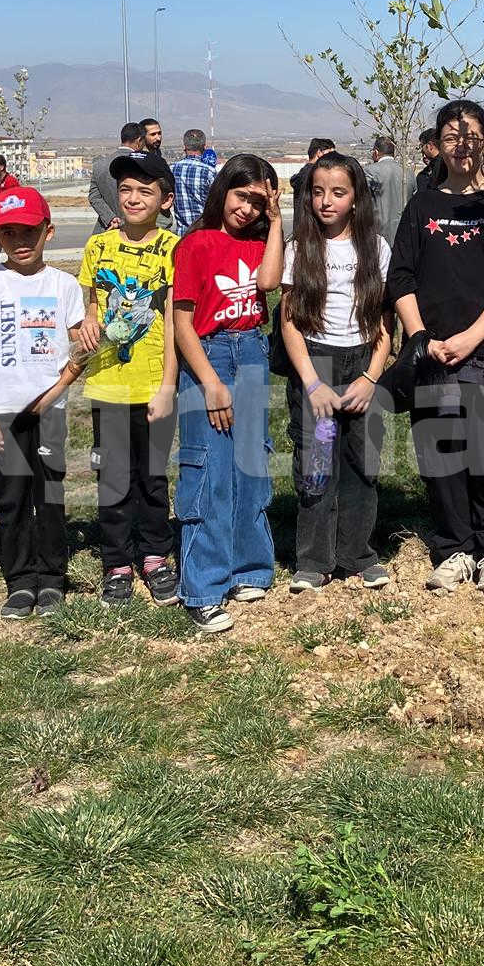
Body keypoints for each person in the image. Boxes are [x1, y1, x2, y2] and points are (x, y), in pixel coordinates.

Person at [387, 99, 484, 598]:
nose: (462, 145)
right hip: (432, 352)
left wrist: (471, 337)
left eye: (471, 135)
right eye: (452, 136)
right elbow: (400, 275)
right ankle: (454, 548)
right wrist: (420, 336)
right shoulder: (422, 205)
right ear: (438, 145)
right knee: (442, 450)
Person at [170, 152, 285, 632]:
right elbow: (181, 322)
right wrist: (211, 383)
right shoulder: (195, 244)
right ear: (223, 191)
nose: (248, 210)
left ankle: (250, 566)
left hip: (252, 350)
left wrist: (278, 221)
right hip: (210, 356)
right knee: (209, 469)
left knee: (250, 462)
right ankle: (204, 583)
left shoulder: (261, 242)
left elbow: (270, 283)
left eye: (259, 203)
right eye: (242, 196)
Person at [0, 185, 87, 620]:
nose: (20, 242)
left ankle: (52, 577)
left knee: (49, 494)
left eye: (29, 232)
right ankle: (19, 580)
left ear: (48, 232)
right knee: (11, 498)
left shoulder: (64, 285)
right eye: (9, 233)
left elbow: (82, 349)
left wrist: (55, 393)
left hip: (49, 410)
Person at [281, 150, 394, 592]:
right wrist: (312, 383)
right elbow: (288, 321)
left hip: (361, 361)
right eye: (318, 192)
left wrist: (370, 377)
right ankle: (313, 559)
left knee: (360, 462)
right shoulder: (299, 249)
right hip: (318, 362)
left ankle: (358, 555)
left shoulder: (376, 247)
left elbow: (387, 321)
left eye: (338, 192)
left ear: (356, 197)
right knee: (318, 462)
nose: (326, 201)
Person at [73, 149, 181, 607]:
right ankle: (116, 561)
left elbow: (176, 320)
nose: (133, 198)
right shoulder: (99, 246)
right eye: (125, 190)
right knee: (114, 477)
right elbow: (89, 301)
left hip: (153, 381)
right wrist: (88, 317)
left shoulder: (174, 249)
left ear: (166, 200)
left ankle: (155, 554)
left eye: (145, 191)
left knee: (153, 477)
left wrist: (169, 384)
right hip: (108, 383)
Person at [89, 121, 147, 230]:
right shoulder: (142, 165)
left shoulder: (100, 165)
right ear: (139, 141)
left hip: (106, 229)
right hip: (135, 231)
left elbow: (94, 197)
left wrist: (111, 218)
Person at [171, 128, 216, 233]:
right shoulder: (209, 172)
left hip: (182, 234)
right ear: (204, 147)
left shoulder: (172, 169)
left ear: (184, 147)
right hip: (204, 233)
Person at [367, 135, 410, 239]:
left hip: (379, 232)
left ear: (376, 152)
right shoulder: (409, 172)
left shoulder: (371, 171)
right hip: (405, 232)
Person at [288, 136, 337, 208]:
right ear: (319, 153)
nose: (333, 157)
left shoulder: (303, 173)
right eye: (330, 153)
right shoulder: (314, 174)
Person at [415, 126, 444, 191]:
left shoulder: (440, 168)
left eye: (422, 146)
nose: (422, 150)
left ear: (430, 146)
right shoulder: (450, 164)